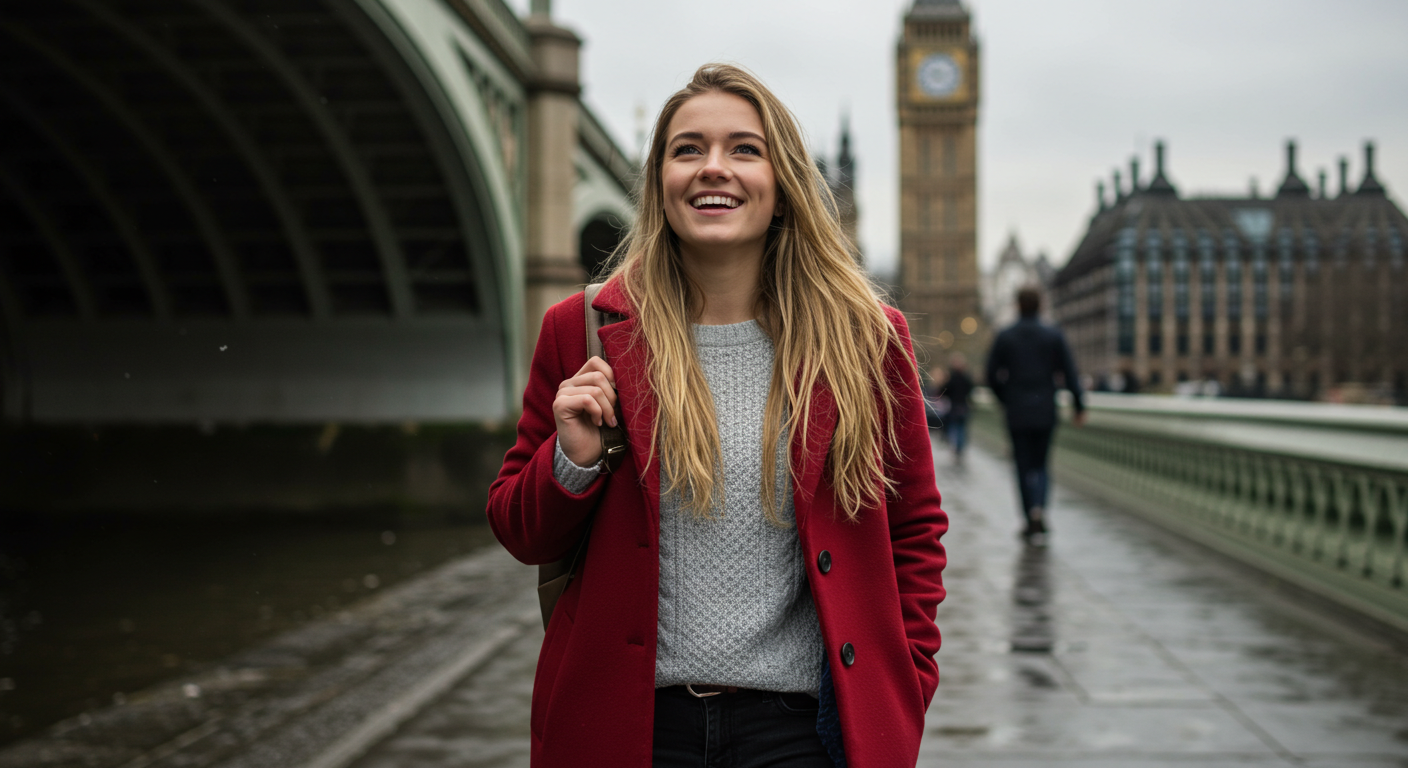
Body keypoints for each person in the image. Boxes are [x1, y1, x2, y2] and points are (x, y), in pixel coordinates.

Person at [486, 64, 948, 767]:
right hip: (634, 730)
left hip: (800, 735)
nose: (714, 169)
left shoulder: (866, 341)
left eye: (744, 149)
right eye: (687, 149)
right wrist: (571, 461)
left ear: (783, 182)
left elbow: (914, 530)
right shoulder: (579, 329)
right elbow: (519, 530)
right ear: (660, 182)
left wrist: (903, 682)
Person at [984, 287, 1085, 544]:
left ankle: (1029, 516)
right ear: (1040, 306)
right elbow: (1070, 372)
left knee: (1022, 465)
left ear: (1017, 305)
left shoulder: (1005, 336)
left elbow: (990, 376)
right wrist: (1079, 406)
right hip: (1045, 410)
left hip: (1017, 410)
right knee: (1041, 464)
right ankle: (1040, 508)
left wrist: (1006, 398)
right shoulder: (1053, 335)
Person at [941, 353, 974, 463]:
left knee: (954, 427)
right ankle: (959, 447)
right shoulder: (967, 378)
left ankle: (956, 447)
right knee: (961, 428)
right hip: (963, 406)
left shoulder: (952, 378)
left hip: (955, 406)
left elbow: (945, 390)